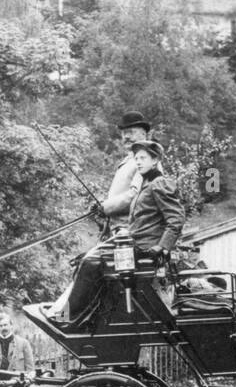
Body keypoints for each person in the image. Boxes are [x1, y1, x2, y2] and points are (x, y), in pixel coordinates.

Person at [47, 112, 155, 322]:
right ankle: (73, 312)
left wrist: (106, 207)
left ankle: (69, 317)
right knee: (83, 262)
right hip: (119, 231)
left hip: (131, 233)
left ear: (145, 133)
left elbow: (135, 195)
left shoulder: (146, 159)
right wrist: (101, 211)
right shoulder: (130, 160)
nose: (126, 137)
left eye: (131, 132)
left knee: (90, 262)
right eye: (123, 134)